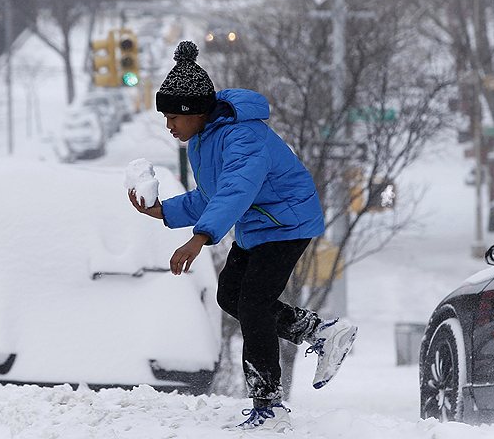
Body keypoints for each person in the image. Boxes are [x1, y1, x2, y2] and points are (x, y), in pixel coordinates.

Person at [127, 40, 358, 432]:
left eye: (172, 118)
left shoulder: (242, 137)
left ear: (195, 112)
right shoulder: (203, 139)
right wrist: (163, 211)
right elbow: (210, 195)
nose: (169, 126)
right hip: (259, 225)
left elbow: (236, 189)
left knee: (252, 303)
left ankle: (269, 407)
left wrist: (199, 238)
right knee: (230, 296)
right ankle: (320, 332)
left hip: (286, 223)